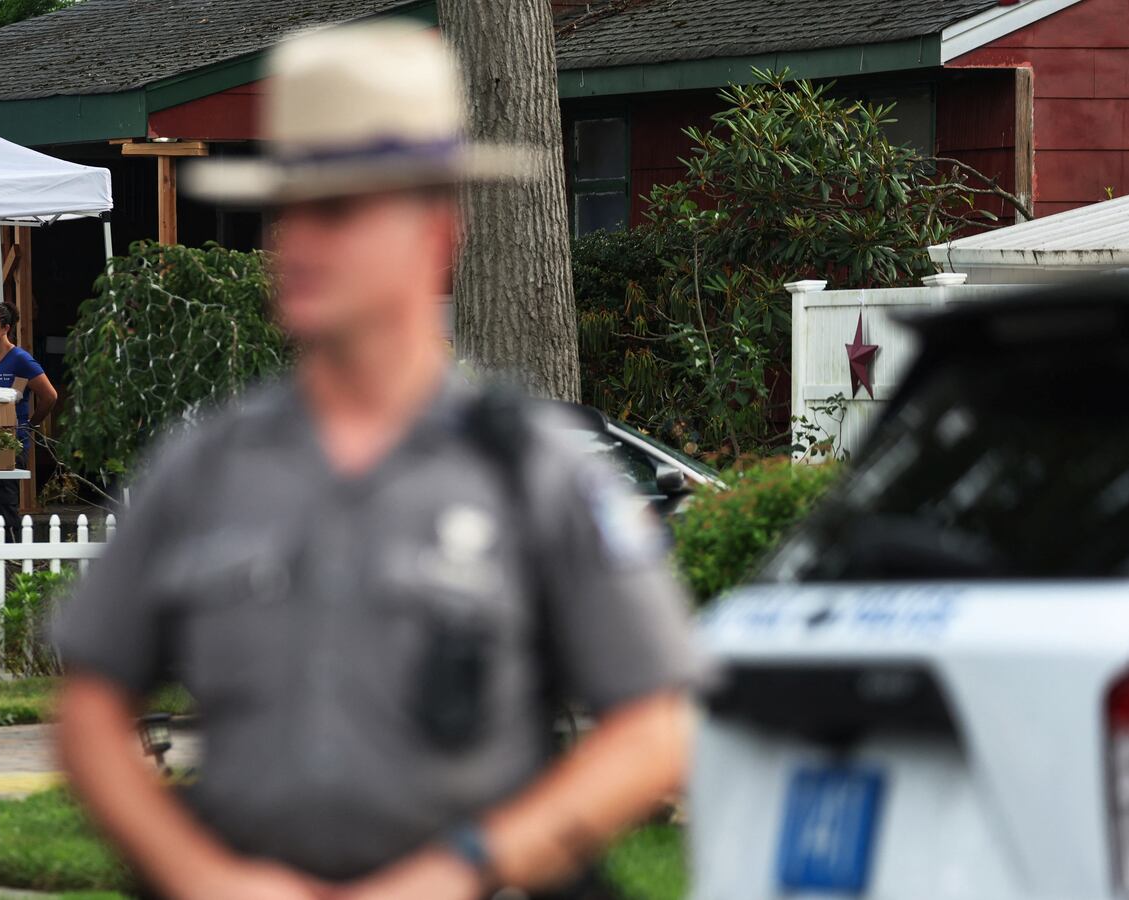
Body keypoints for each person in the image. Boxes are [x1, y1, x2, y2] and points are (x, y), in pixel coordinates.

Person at [52, 22, 704, 900]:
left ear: (436, 231)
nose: (299, 240)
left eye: (342, 210)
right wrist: (198, 876)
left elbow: (653, 724)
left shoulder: (535, 470)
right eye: (289, 206)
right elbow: (91, 705)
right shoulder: (204, 467)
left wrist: (468, 868)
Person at [0, 302, 58, 527]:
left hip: (9, 441)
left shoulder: (20, 359)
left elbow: (50, 396)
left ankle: (7, 554)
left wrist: (30, 425)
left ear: (5, 328)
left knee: (3, 503)